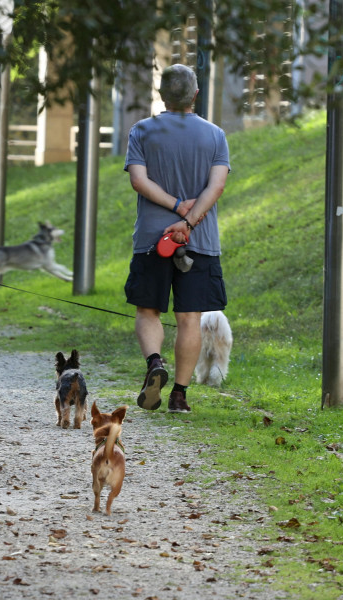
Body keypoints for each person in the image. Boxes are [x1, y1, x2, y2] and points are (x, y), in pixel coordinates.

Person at [123, 64, 230, 414]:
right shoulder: (215, 134)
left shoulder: (142, 131)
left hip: (154, 239)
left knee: (148, 309)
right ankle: (180, 396)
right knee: (189, 317)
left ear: (162, 95)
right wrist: (189, 220)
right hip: (199, 240)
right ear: (195, 95)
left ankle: (155, 362)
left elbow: (138, 180)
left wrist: (173, 208)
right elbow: (217, 186)